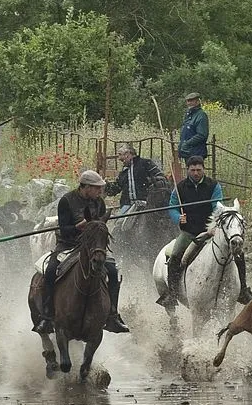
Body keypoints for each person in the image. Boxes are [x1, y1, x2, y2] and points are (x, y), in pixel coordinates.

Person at [34, 170, 129, 335]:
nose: (100, 191)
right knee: (50, 271)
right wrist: (80, 226)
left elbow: (100, 226)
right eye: (97, 188)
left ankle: (113, 315)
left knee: (113, 272)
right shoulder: (66, 201)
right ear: (86, 187)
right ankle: (47, 316)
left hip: (92, 247)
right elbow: (64, 230)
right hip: (68, 245)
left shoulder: (99, 202)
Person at [157, 156, 252, 307]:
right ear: (188, 170)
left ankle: (242, 290)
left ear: (203, 169)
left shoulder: (213, 186)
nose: (196, 173)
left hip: (211, 231)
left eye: (199, 170)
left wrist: (213, 228)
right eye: (193, 170)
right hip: (189, 232)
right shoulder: (180, 187)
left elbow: (217, 206)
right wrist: (178, 218)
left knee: (239, 254)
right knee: (175, 255)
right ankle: (172, 293)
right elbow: (173, 206)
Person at [105, 143, 165, 213]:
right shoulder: (124, 172)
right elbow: (115, 189)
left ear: (127, 154)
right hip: (127, 205)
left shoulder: (145, 163)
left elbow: (161, 178)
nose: (119, 158)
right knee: (119, 219)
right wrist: (106, 186)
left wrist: (152, 183)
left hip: (146, 204)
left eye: (120, 154)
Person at [178, 92, 208, 160]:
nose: (189, 103)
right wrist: (181, 146)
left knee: (196, 167)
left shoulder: (201, 115)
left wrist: (186, 144)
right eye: (188, 101)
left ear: (197, 102)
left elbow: (201, 135)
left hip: (196, 153)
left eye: (191, 101)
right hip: (187, 152)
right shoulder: (188, 115)